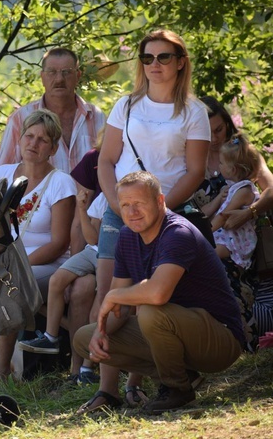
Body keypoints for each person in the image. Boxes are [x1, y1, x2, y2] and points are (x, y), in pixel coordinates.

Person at [89, 29, 211, 412]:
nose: (154, 65)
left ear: (180, 62)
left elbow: (195, 172)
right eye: (147, 58)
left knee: (153, 299)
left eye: (163, 57)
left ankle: (155, 382)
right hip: (119, 208)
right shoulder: (125, 105)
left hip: (168, 211)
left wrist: (158, 211)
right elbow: (106, 161)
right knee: (109, 292)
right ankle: (107, 391)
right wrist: (118, 204)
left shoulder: (195, 112)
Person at [74, 171, 245, 414]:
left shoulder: (178, 232)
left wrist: (113, 297)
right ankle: (183, 376)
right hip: (173, 330)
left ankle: (176, 389)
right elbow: (119, 308)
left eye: (139, 204)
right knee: (84, 338)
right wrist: (101, 331)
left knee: (150, 311)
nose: (132, 212)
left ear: (160, 202)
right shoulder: (126, 237)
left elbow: (157, 294)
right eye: (125, 205)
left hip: (219, 340)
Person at [0, 109, 76, 382]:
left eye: (42, 140)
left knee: (6, 289)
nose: (33, 144)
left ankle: (1, 379)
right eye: (29, 136)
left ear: (53, 148)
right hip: (2, 264)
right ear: (20, 138)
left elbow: (60, 243)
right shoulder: (3, 173)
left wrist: (13, 266)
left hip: (47, 264)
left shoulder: (61, 182)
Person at [17, 191, 107, 384]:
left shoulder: (132, 198)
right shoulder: (103, 198)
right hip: (94, 251)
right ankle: (50, 336)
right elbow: (93, 239)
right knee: (56, 281)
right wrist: (82, 209)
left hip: (112, 258)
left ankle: (87, 368)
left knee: (97, 309)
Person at [0, 48, 105, 175]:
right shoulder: (21, 118)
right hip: (39, 195)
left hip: (91, 195)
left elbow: (111, 166)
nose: (59, 79)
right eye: (51, 72)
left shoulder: (97, 117)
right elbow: (1, 175)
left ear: (78, 76)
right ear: (42, 77)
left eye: (66, 72)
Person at [204, 134, 260, 268]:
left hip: (234, 240)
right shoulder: (232, 186)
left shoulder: (244, 191)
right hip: (225, 234)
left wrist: (205, 234)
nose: (219, 165)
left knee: (207, 253)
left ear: (232, 169)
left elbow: (224, 216)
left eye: (221, 163)